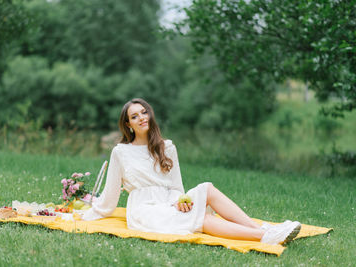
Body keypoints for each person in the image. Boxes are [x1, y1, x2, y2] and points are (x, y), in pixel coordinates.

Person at [82, 98, 301, 245]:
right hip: (145, 210)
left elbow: (177, 187)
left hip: (169, 200)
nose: (142, 118)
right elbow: (110, 197)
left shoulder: (167, 147)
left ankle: (262, 228)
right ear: (128, 124)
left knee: (207, 188)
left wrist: (181, 201)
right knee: (201, 219)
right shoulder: (121, 152)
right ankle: (265, 236)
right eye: (135, 116)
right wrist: (92, 207)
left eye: (144, 112)